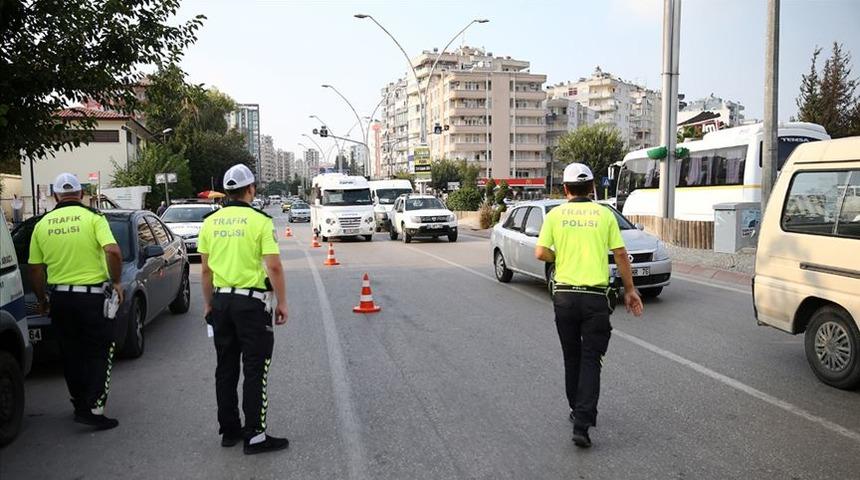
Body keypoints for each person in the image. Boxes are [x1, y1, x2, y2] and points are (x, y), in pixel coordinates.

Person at [534, 162, 644, 449]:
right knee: (591, 359)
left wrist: (560, 256)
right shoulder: (604, 214)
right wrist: (630, 290)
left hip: (565, 298)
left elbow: (541, 252)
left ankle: (576, 408)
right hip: (595, 299)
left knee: (571, 357)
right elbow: (620, 254)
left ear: (565, 189)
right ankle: (582, 423)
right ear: (593, 187)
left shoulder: (555, 216)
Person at [198, 164, 290, 455]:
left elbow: (205, 271)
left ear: (227, 192)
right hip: (251, 305)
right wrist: (282, 302)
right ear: (251, 189)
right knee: (255, 369)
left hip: (221, 302)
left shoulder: (210, 222)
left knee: (225, 368)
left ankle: (229, 431)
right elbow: (274, 266)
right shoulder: (260, 221)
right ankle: (255, 435)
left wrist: (208, 304)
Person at [28, 173, 125, 430]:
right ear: (81, 194)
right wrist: (117, 281)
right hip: (92, 298)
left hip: (60, 298)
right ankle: (94, 409)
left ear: (56, 196)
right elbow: (113, 251)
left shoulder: (42, 224)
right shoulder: (94, 218)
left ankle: (80, 405)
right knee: (99, 351)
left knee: (71, 353)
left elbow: (35, 268)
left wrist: (42, 299)